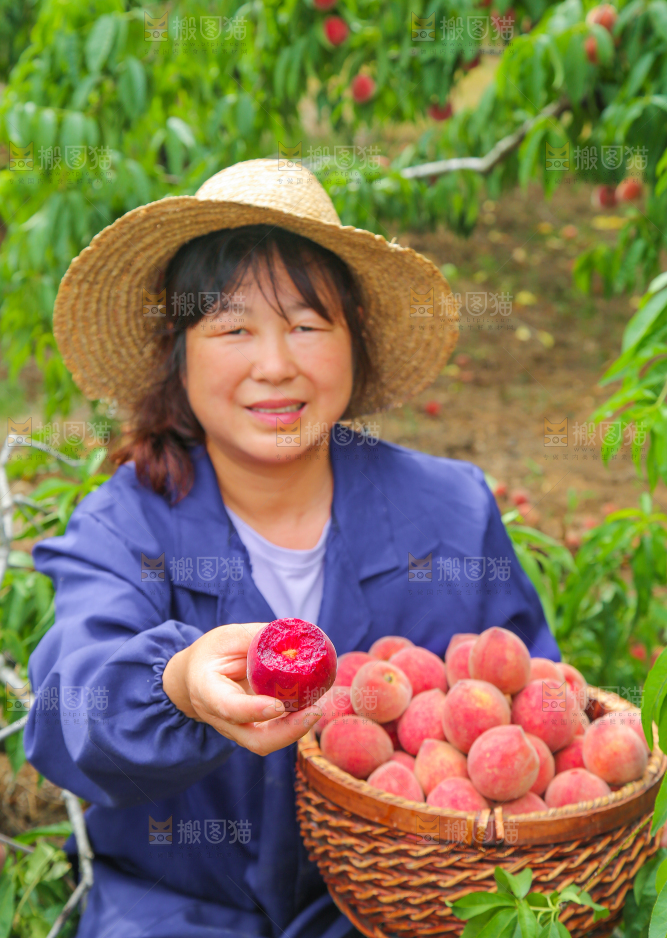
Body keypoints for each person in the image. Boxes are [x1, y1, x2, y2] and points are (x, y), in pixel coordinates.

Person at [24, 159, 559, 938]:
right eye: (232, 328)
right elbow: (72, 708)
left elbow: (534, 713)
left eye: (307, 325)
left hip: (406, 909)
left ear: (355, 340)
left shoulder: (449, 512)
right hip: (176, 915)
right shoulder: (126, 527)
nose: (275, 366)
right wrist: (177, 684)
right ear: (179, 351)